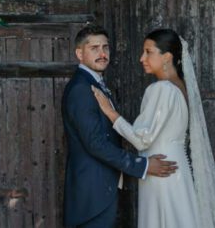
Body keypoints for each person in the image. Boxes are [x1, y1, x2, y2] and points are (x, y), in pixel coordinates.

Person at [92, 28, 215, 228]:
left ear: (166, 57)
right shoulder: (181, 87)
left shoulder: (162, 89)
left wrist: (110, 112)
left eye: (148, 52)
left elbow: (142, 139)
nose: (142, 58)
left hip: (161, 169)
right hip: (177, 167)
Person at [63, 24, 178, 228]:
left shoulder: (96, 84)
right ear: (79, 53)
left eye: (105, 47)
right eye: (94, 48)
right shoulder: (81, 89)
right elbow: (95, 143)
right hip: (92, 198)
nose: (102, 53)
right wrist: (142, 165)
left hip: (101, 192)